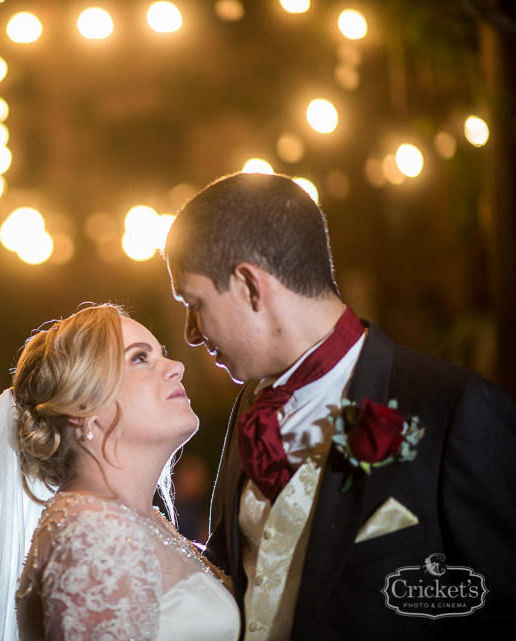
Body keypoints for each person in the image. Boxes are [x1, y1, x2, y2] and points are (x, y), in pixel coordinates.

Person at [163, 172, 516, 641]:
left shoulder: (454, 410)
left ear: (250, 285)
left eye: (194, 302)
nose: (190, 331)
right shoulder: (249, 409)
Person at [0, 304, 240, 641]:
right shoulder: (92, 536)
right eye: (139, 358)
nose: (176, 366)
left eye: (163, 354)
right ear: (82, 405)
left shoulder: (129, 518)